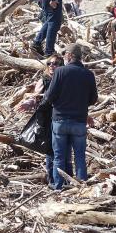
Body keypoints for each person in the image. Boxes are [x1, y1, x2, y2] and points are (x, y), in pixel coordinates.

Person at [39, 44, 97, 189]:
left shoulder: (60, 72)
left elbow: (50, 96)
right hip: (79, 121)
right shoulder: (88, 74)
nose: (64, 57)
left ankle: (58, 186)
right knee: (79, 156)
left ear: (70, 56)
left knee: (59, 156)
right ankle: (82, 185)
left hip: (60, 120)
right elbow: (93, 99)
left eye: (65, 55)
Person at [18, 54, 70, 188]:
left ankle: (63, 179)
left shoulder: (65, 80)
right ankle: (53, 179)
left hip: (62, 117)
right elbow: (35, 97)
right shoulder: (44, 80)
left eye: (56, 63)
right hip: (47, 118)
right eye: (49, 63)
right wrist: (28, 103)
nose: (52, 66)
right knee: (50, 150)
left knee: (62, 150)